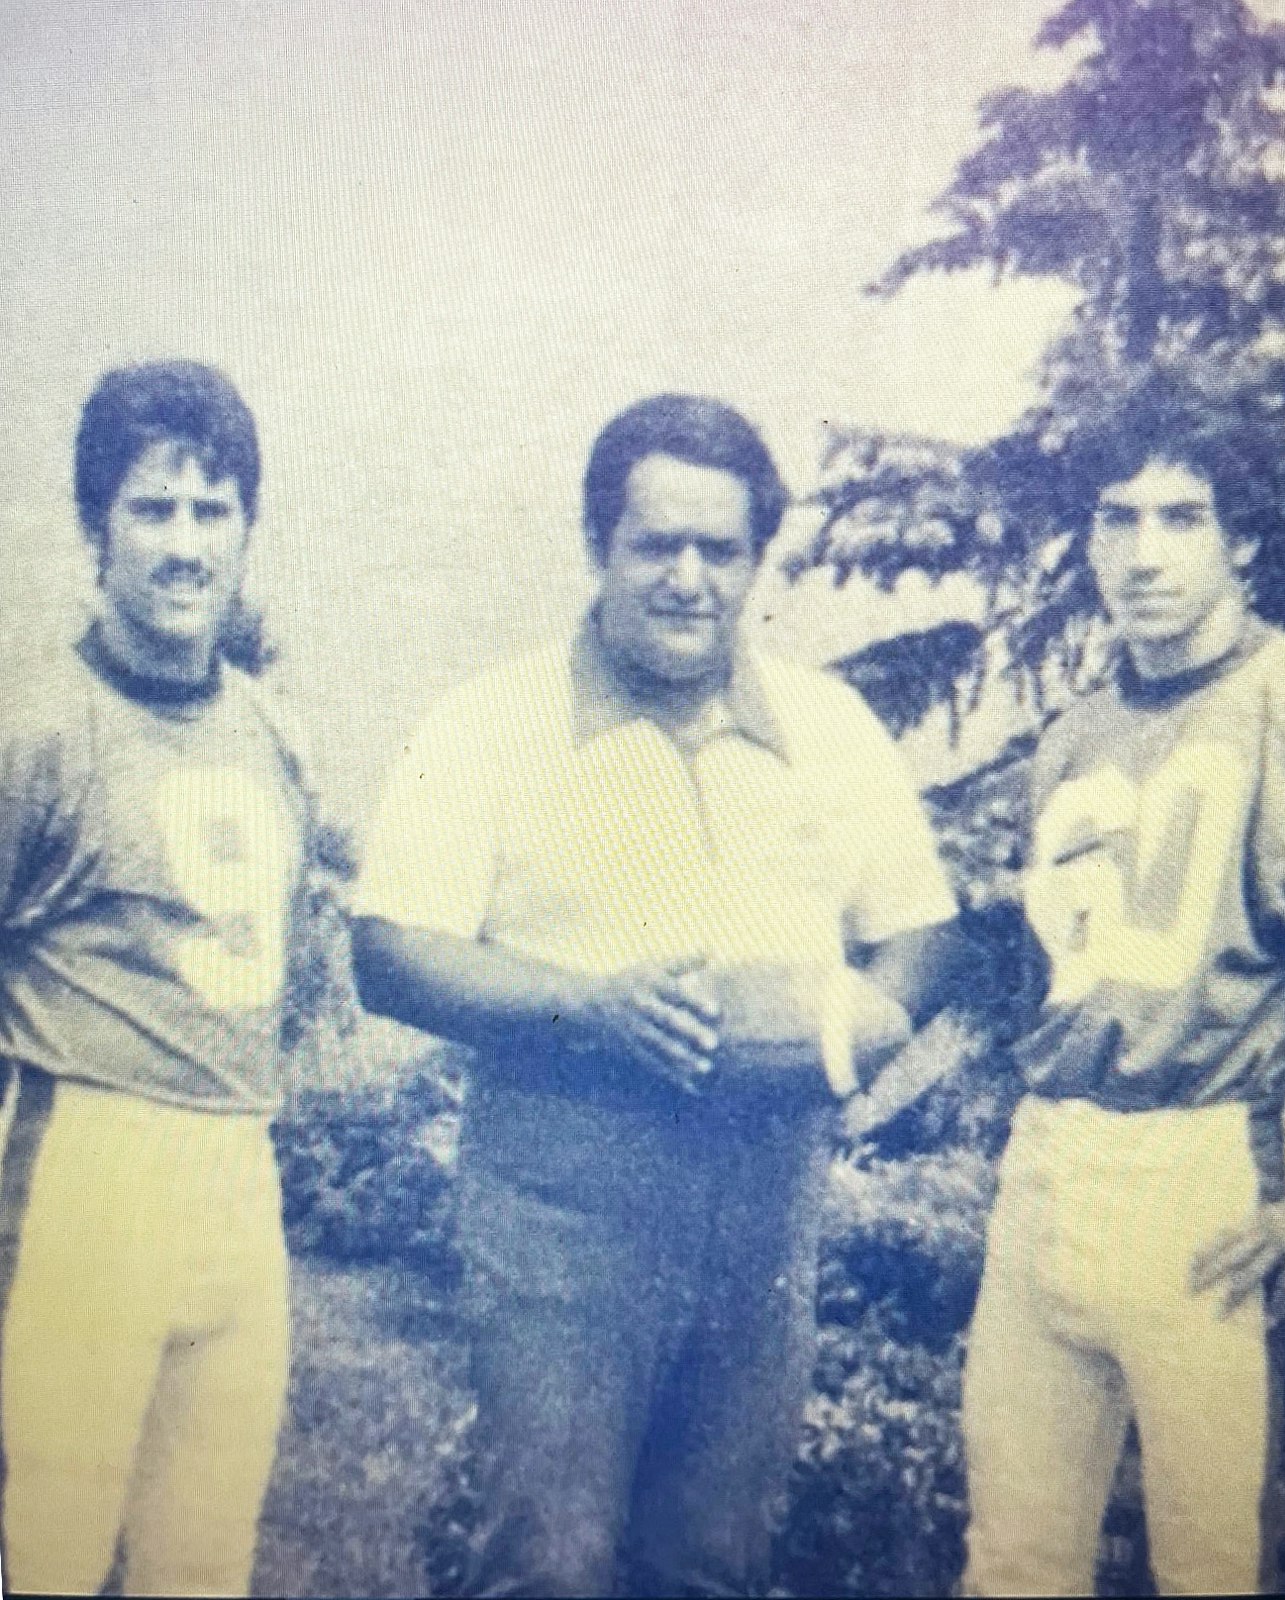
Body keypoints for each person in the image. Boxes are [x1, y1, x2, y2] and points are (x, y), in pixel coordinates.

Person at [351, 392, 960, 1598]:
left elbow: (921, 937)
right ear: (598, 547)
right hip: (562, 1205)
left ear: (753, 562)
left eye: (719, 550)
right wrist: (589, 1010)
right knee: (549, 1564)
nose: (688, 578)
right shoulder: (489, 720)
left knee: (710, 1563)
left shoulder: (828, 728)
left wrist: (854, 1035)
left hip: (760, 1211)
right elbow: (389, 947)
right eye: (654, 545)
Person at [959, 393, 1285, 1597]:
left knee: (1212, 1567)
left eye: (1181, 517)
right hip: (1047, 1169)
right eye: (1114, 517)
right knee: (1014, 1565)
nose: (1142, 553)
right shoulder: (1072, 736)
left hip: (1209, 1176)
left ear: (1241, 538)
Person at [0, 360, 312, 1595]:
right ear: (94, 529)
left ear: (245, 529)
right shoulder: (39, 728)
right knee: (51, 1551)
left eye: (212, 510)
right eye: (152, 510)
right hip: (87, 1165)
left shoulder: (272, 730)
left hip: (240, 1170)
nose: (186, 547)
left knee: (203, 1560)